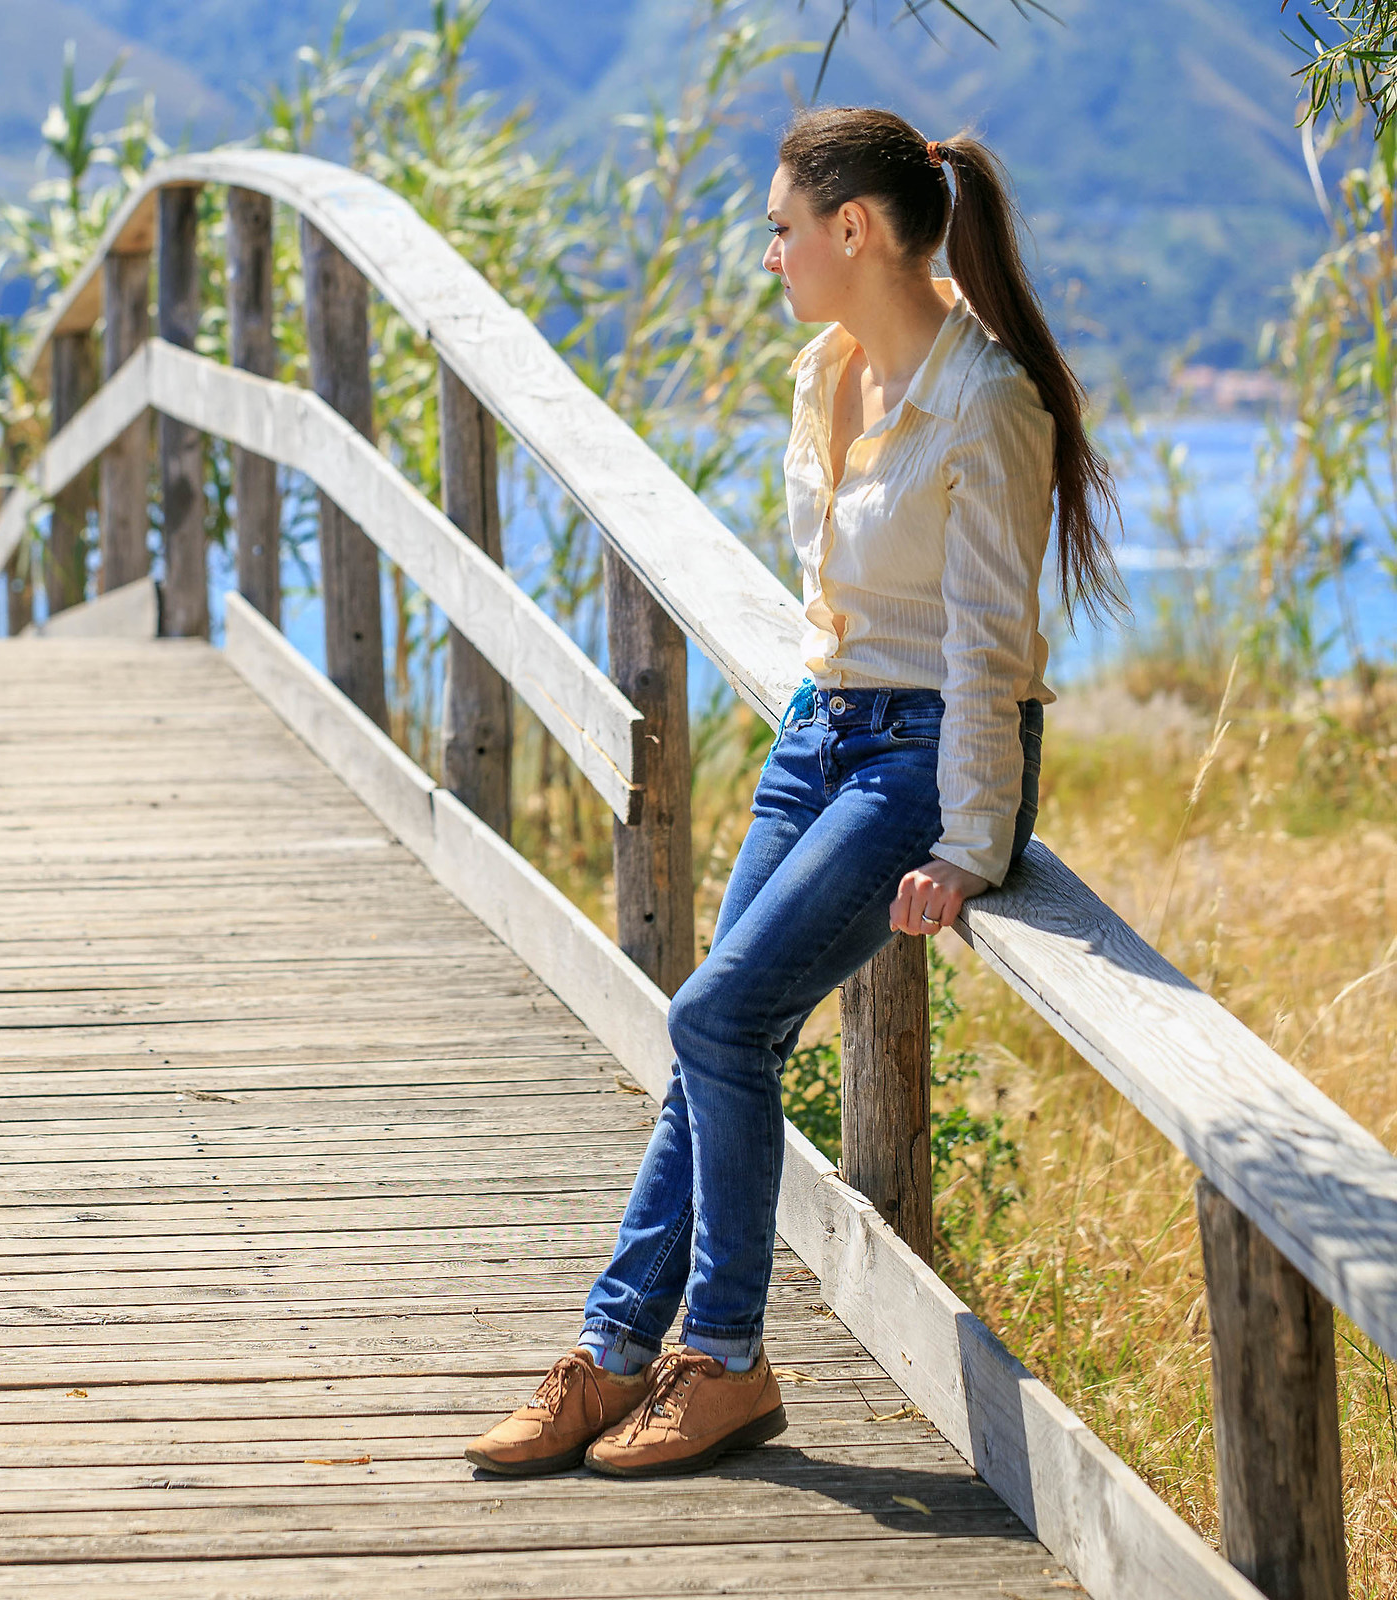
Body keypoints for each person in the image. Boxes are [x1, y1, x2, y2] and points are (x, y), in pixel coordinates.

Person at [465, 106, 1122, 1480]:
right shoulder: (828, 369)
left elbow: (991, 648)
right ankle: (613, 1356)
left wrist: (968, 841)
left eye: (780, 228)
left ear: (853, 229)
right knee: (718, 1040)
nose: (768, 253)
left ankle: (726, 1358)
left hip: (921, 757)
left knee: (714, 1012)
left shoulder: (986, 402)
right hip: (823, 734)